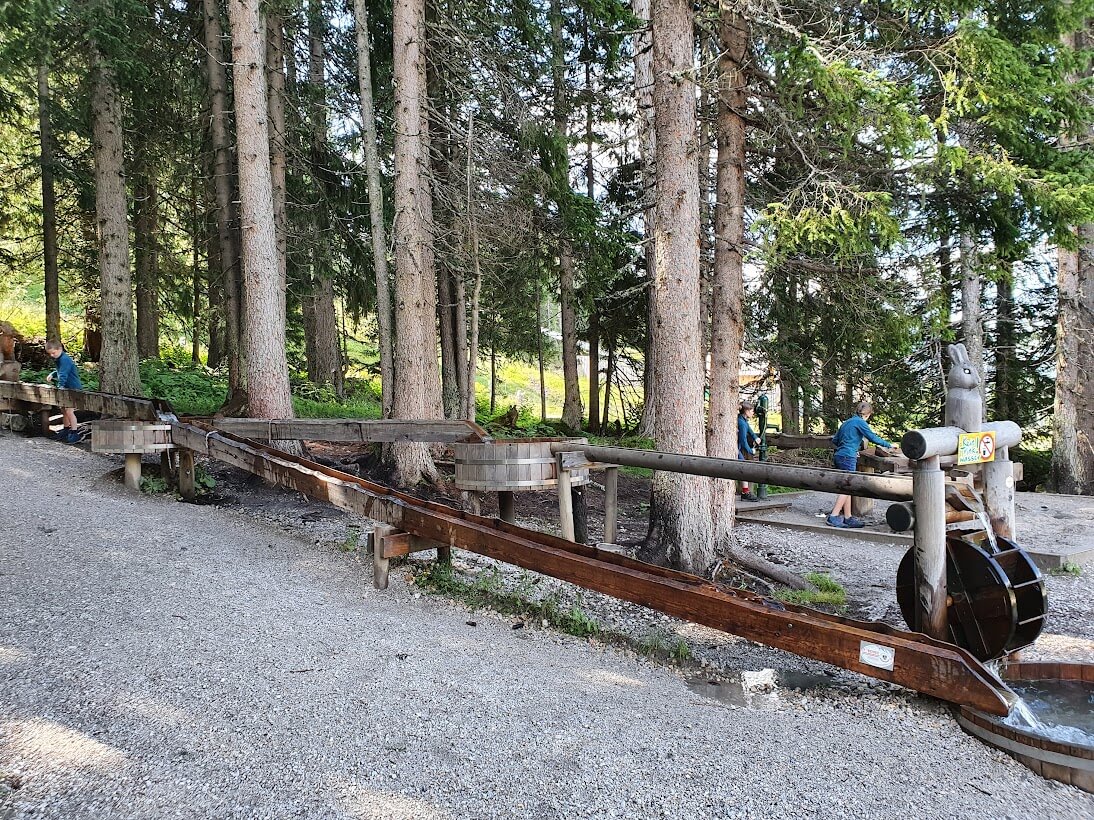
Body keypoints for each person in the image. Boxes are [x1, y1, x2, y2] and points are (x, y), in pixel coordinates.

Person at [827, 401, 893, 528]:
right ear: (868, 414)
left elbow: (835, 440)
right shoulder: (860, 422)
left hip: (840, 456)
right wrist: (890, 445)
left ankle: (848, 517)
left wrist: (852, 449)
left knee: (847, 486)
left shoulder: (846, 422)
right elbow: (873, 438)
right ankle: (833, 516)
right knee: (846, 487)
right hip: (848, 457)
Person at [45, 340, 83, 443]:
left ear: (60, 349)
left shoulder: (65, 359)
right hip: (65, 388)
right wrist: (53, 374)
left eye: (54, 353)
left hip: (72, 389)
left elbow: (63, 374)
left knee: (69, 411)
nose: (52, 355)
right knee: (63, 410)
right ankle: (66, 430)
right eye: (50, 354)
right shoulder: (59, 359)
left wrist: (60, 386)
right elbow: (60, 371)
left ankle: (74, 432)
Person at [737, 400, 760, 501]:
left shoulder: (743, 421)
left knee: (743, 468)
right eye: (751, 410)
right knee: (743, 468)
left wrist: (755, 437)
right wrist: (750, 451)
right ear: (745, 411)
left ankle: (745, 491)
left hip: (738, 448)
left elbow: (749, 430)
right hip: (737, 449)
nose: (753, 412)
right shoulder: (741, 423)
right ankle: (745, 492)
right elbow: (743, 440)